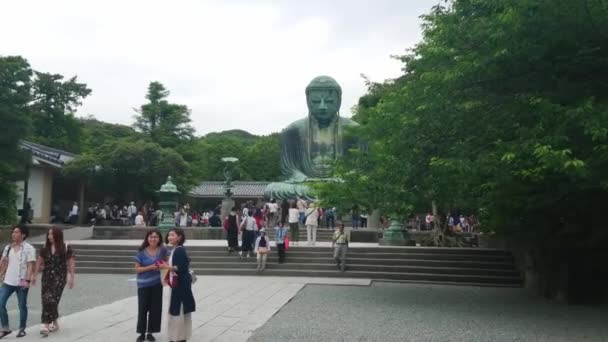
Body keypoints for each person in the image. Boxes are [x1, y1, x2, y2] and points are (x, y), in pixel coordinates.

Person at [33, 227, 75, 337]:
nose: (49, 236)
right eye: (48, 234)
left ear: (57, 235)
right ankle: (55, 322)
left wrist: (72, 277)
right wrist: (35, 275)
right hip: (47, 277)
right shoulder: (44, 248)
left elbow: (71, 262)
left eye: (51, 234)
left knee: (51, 299)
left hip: (60, 277)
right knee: (47, 299)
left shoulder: (65, 247)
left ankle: (45, 324)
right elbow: (39, 262)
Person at [0, 225, 36, 338]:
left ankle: (22, 328)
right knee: (0, 303)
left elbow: (30, 265)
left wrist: (27, 280)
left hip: (21, 282)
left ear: (23, 235)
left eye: (16, 232)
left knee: (22, 305)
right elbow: (4, 263)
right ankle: (5, 328)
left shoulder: (29, 248)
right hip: (8, 281)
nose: (13, 234)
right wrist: (1, 274)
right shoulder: (8, 248)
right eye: (13, 232)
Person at [162, 228, 195, 342]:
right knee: (179, 309)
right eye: (169, 235)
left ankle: (178, 337)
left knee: (178, 309)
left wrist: (166, 267)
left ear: (179, 237)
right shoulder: (176, 249)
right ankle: (179, 336)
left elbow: (181, 267)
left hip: (180, 285)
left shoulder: (179, 250)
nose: (170, 237)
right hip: (179, 284)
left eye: (172, 235)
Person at [134, 229, 167, 342]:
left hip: (157, 284)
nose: (153, 239)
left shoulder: (163, 250)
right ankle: (141, 333)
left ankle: (150, 332)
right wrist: (150, 267)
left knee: (155, 309)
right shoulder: (141, 252)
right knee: (142, 309)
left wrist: (163, 266)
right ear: (147, 238)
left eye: (155, 237)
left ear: (159, 239)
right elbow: (137, 269)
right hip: (143, 285)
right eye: (151, 237)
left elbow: (167, 264)